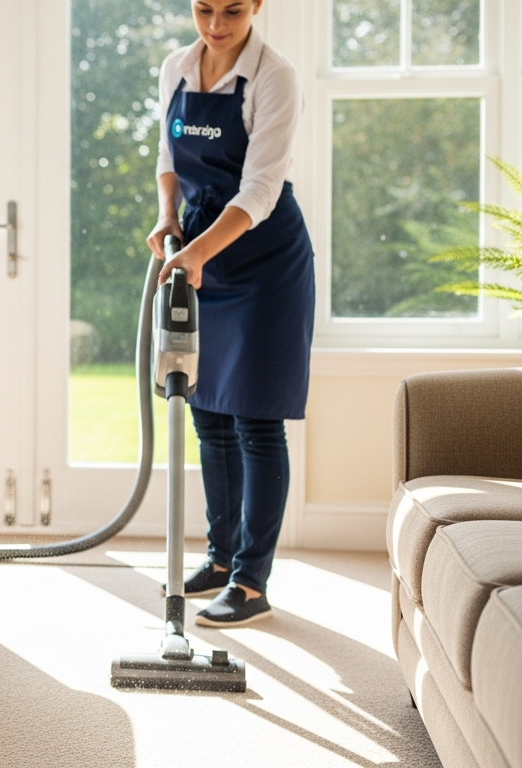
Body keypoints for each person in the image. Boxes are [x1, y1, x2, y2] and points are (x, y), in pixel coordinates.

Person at [146, 0, 314, 628]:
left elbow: (260, 189)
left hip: (263, 257)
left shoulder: (274, 76)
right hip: (198, 249)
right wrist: (169, 218)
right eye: (204, 8)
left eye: (233, 10)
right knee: (208, 412)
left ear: (257, 6)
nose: (216, 23)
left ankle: (251, 580)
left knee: (257, 419)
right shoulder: (177, 68)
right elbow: (169, 158)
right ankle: (219, 559)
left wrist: (195, 252)